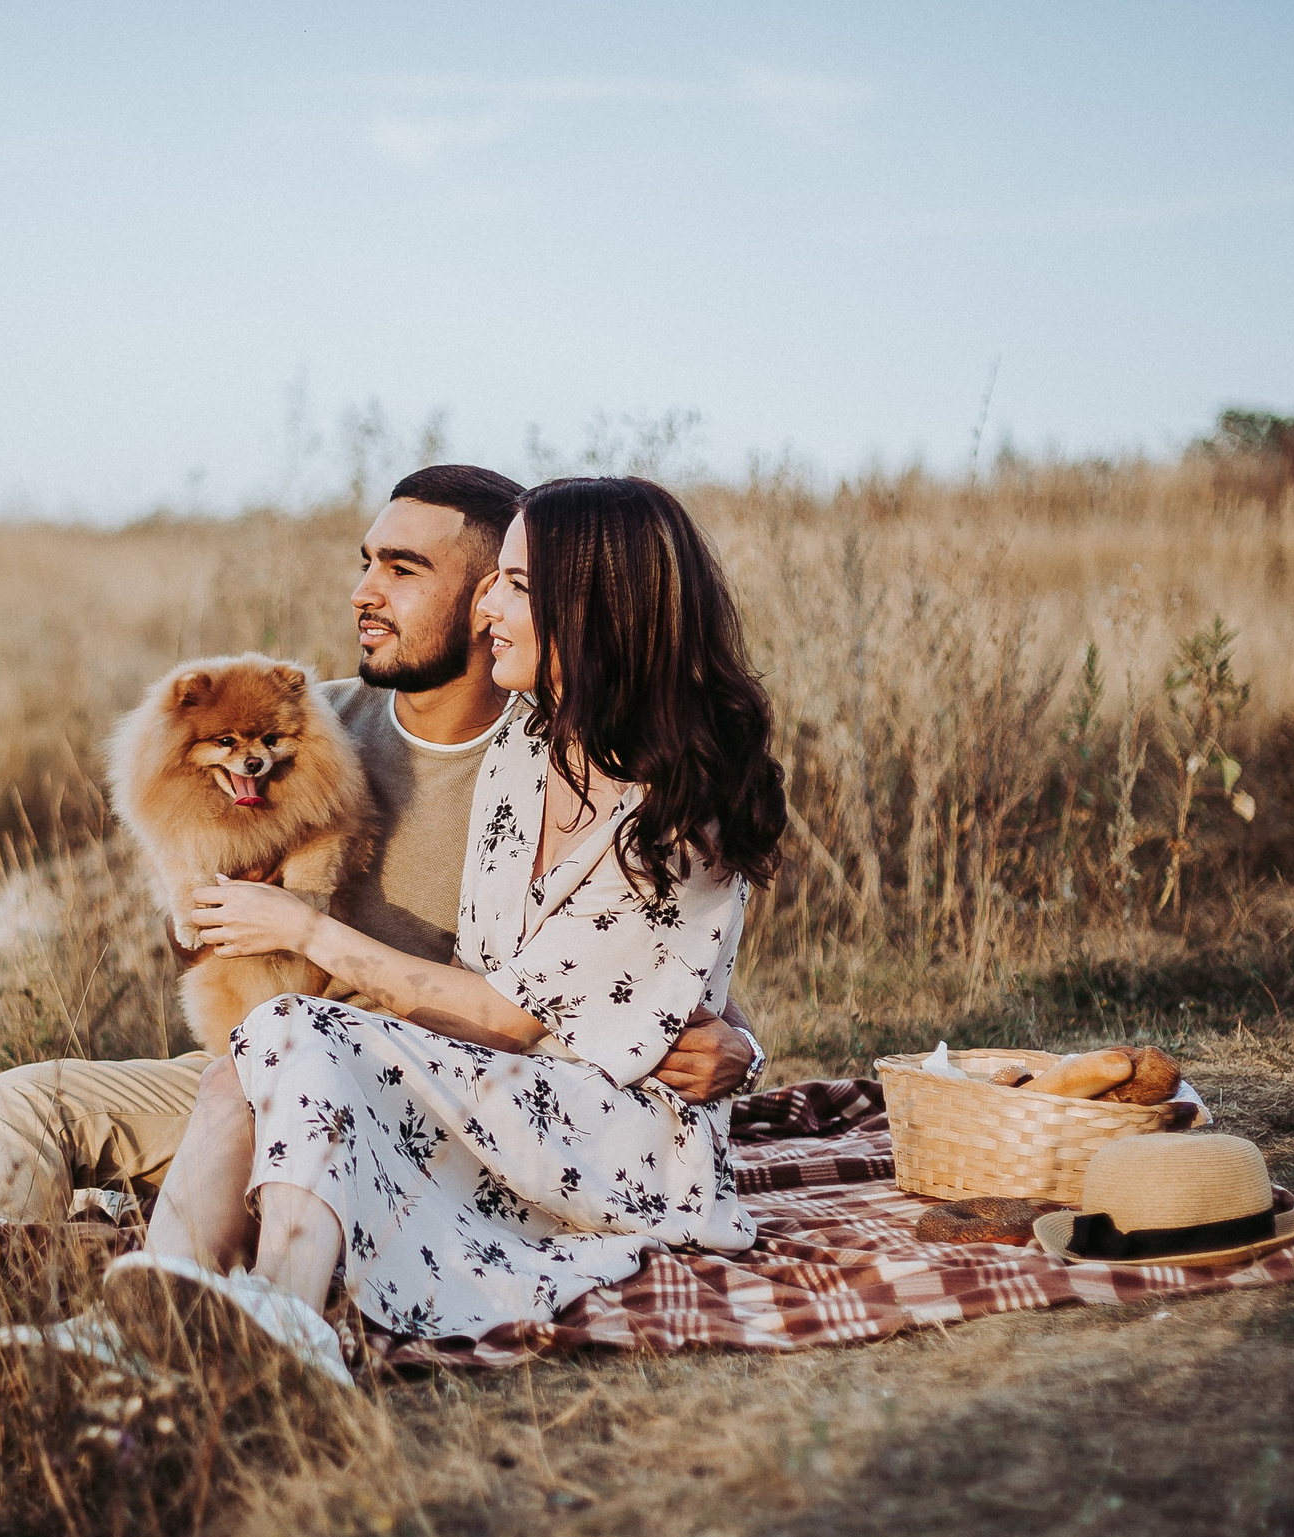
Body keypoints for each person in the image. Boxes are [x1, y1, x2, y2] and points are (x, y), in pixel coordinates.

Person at [43, 476, 793, 1385]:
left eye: (514, 585)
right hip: (493, 1080)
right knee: (264, 1041)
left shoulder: (672, 808)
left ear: (593, 609)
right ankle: (143, 1317)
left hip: (612, 1134)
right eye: (494, 582)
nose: (489, 609)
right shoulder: (528, 744)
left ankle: (276, 1303)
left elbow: (541, 1008)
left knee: (289, 1029)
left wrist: (307, 934)